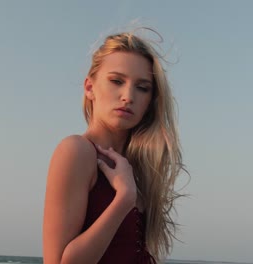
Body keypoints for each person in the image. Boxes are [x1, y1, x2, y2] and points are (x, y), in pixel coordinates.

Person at [42, 28, 185, 264]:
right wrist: (124, 199)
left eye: (142, 87)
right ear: (90, 88)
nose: (128, 96)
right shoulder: (76, 151)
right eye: (116, 81)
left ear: (151, 101)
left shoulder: (137, 169)